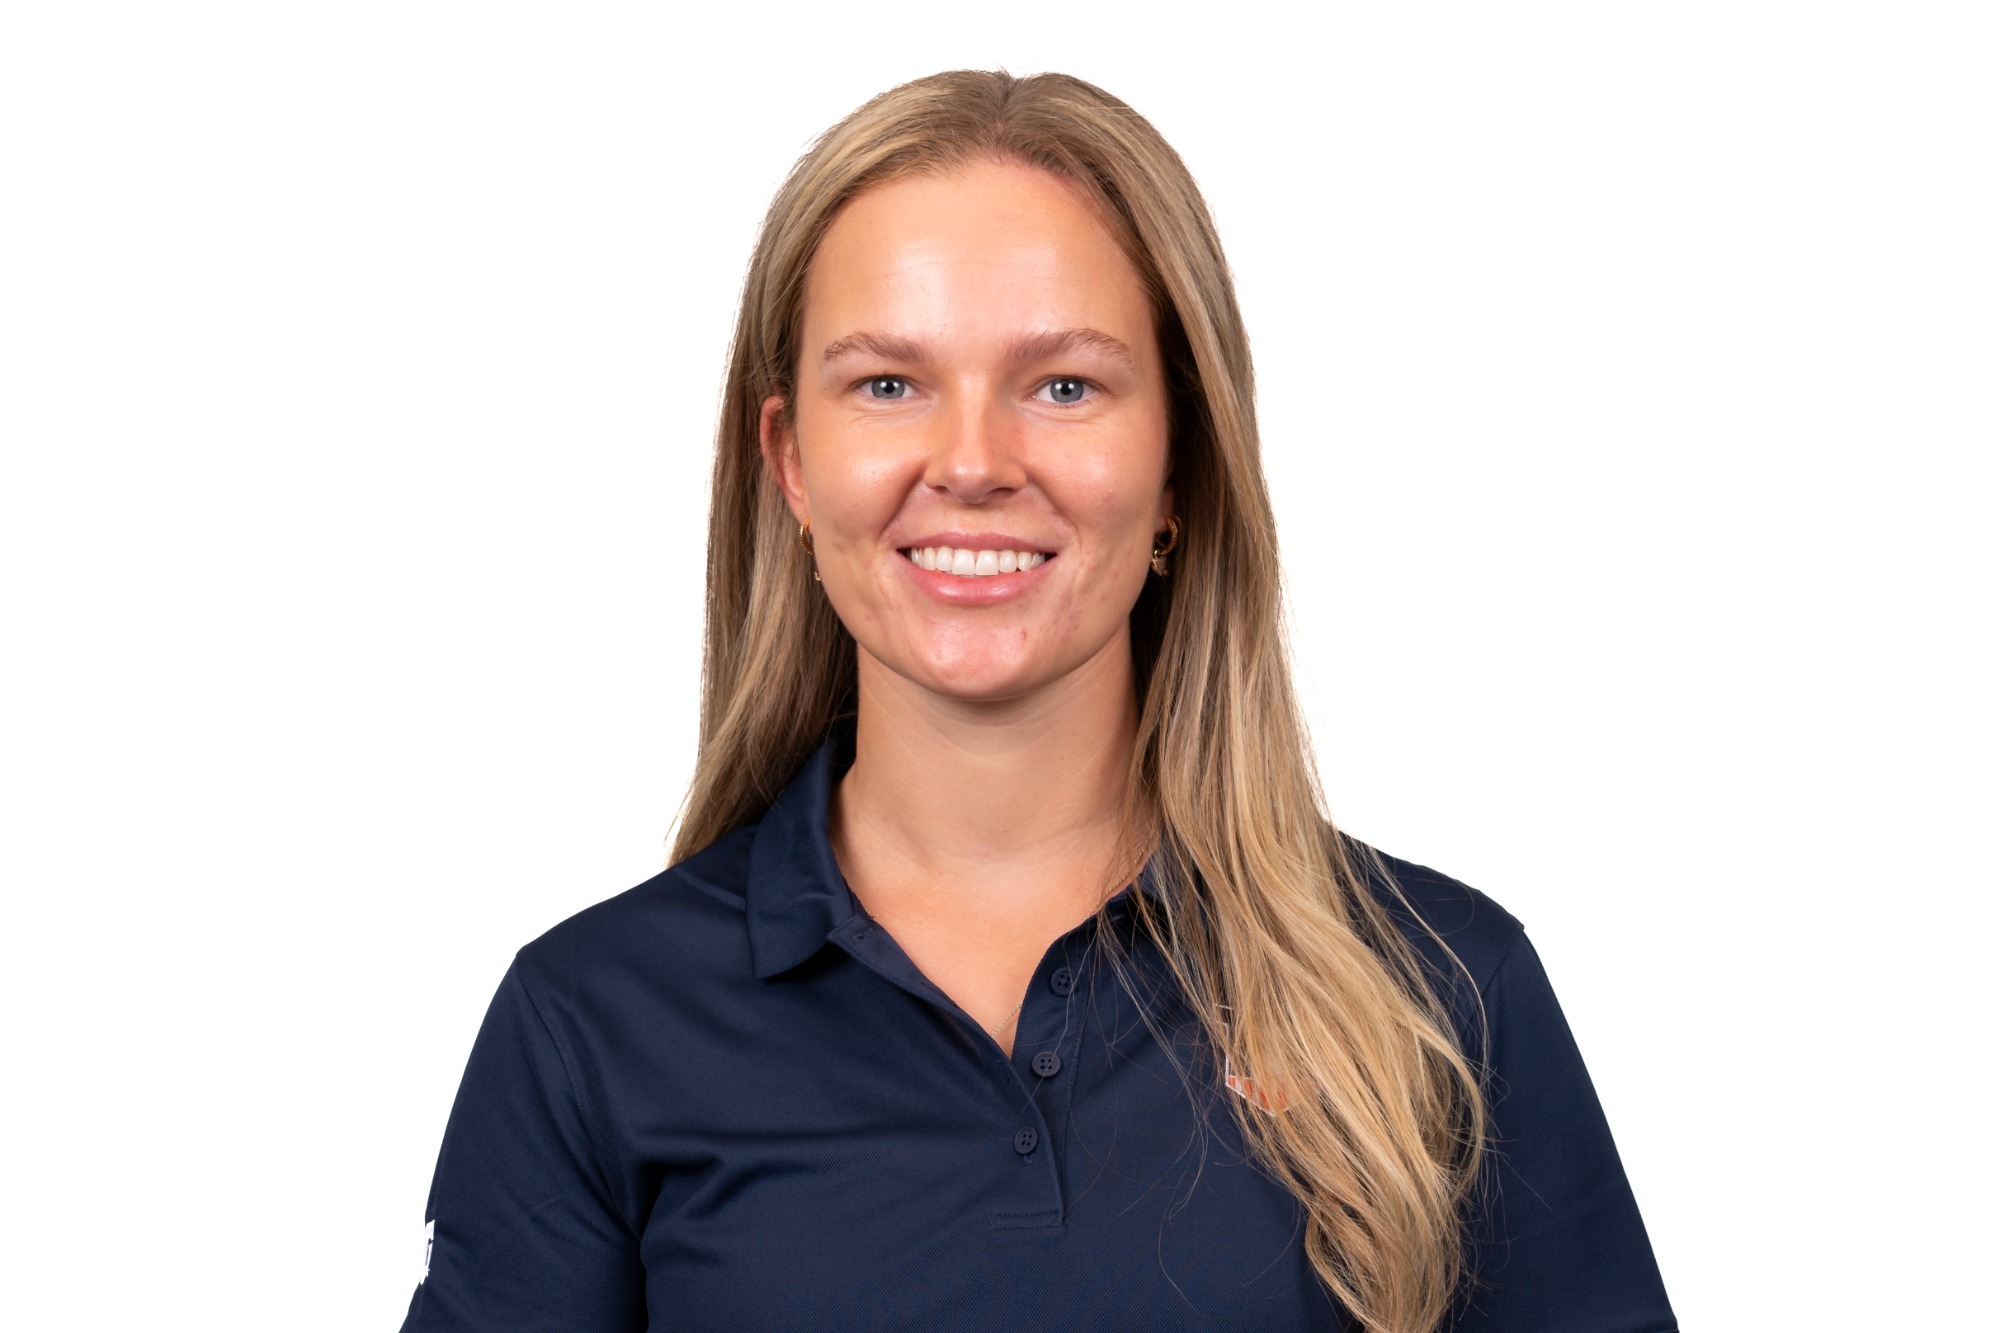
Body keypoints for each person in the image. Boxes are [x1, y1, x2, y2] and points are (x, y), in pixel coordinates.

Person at [399, 70, 1675, 1333]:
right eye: (888, 385)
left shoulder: (1439, 990)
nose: (970, 464)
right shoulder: (589, 1026)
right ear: (790, 462)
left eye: (1063, 385)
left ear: (1181, 457)